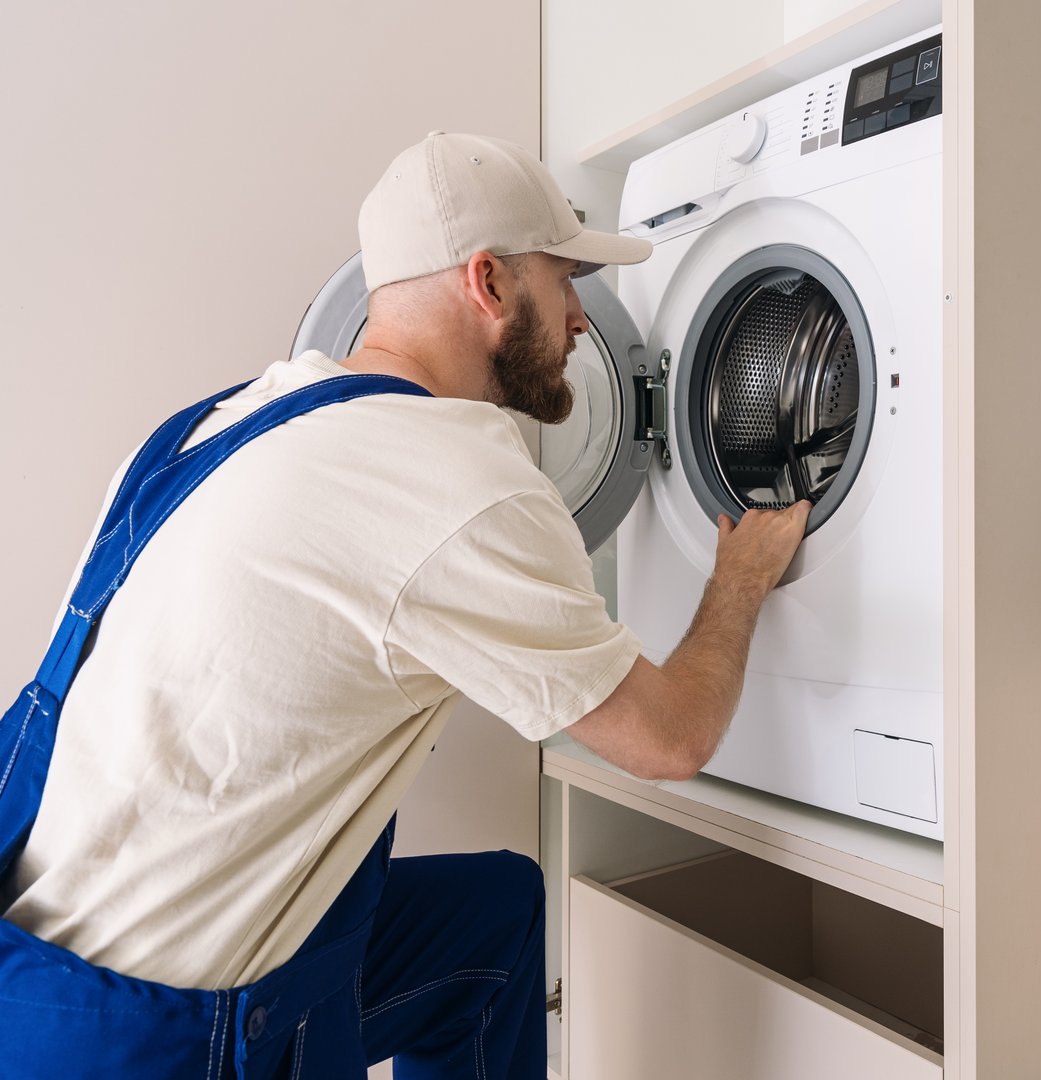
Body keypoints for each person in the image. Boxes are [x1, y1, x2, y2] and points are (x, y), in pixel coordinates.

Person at [0, 131, 809, 1077]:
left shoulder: (224, 420)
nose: (585, 321)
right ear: (490, 283)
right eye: (566, 282)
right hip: (164, 1039)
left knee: (495, 921)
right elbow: (672, 741)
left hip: (30, 972)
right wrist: (741, 578)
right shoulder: (464, 482)